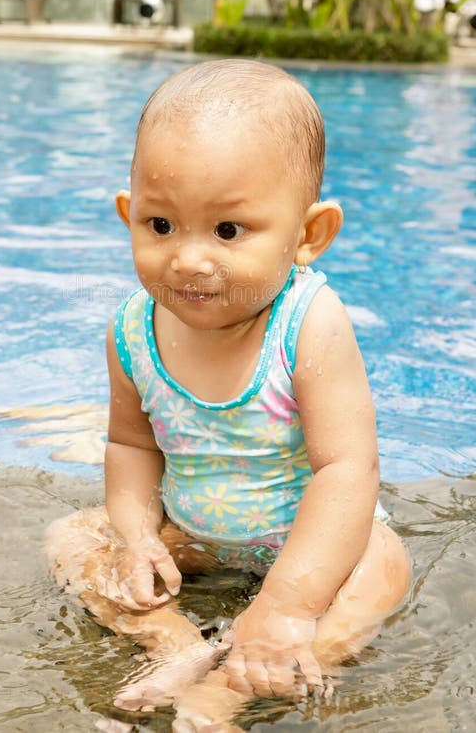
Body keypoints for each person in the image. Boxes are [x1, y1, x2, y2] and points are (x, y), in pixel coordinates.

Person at [45, 59, 411, 731]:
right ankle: (175, 644)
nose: (188, 259)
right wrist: (135, 539)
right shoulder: (132, 330)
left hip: (306, 541)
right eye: (160, 226)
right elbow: (130, 445)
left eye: (227, 231)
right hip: (197, 535)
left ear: (308, 236)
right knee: (72, 540)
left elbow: (347, 471)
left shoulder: (309, 326)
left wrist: (291, 602)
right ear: (129, 214)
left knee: (382, 568)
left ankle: (232, 687)